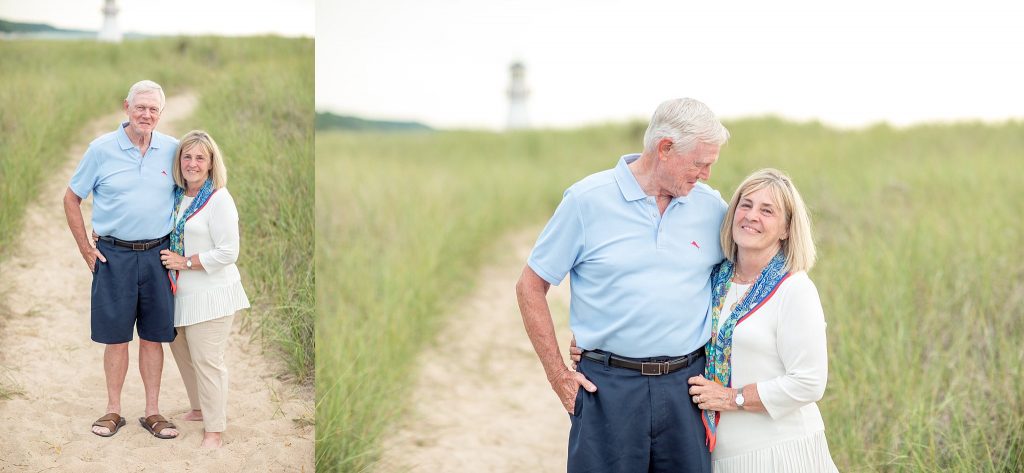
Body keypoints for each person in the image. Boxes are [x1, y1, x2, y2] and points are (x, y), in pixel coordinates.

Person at [516, 98, 730, 473]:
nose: (707, 174)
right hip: (607, 390)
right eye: (701, 163)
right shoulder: (586, 201)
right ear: (665, 148)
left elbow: (745, 279)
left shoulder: (711, 207)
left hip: (688, 390)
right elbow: (530, 286)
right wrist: (558, 376)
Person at [686, 168, 838, 472]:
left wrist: (731, 398)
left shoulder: (794, 288)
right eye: (746, 204)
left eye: (767, 210)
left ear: (786, 229)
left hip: (780, 451)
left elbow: (809, 382)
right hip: (720, 454)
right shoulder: (714, 279)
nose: (752, 215)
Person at [63, 80, 179, 439]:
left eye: (153, 109)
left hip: (158, 256)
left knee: (153, 337)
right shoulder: (100, 149)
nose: (146, 114)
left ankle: (153, 412)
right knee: (116, 339)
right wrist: (86, 247)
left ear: (161, 113)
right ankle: (113, 410)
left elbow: (192, 192)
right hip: (114, 256)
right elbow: (71, 198)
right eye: (140, 107)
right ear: (126, 107)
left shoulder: (173, 150)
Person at [160, 130, 250, 449]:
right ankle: (199, 409)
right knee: (184, 355)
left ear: (211, 163)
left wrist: (184, 262)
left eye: (200, 158)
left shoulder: (219, 198)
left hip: (212, 294)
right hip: (180, 295)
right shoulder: (175, 196)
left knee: (207, 359)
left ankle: (215, 430)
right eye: (187, 156)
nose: (193, 163)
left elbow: (229, 252)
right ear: (179, 160)